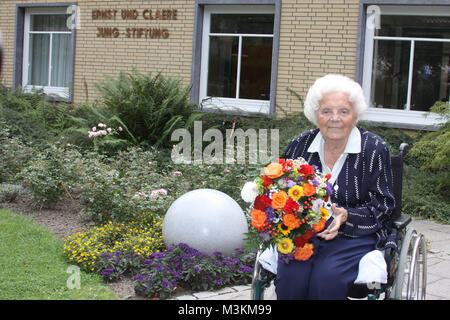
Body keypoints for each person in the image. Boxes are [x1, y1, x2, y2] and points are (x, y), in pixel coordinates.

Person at [275, 74, 396, 300]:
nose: (335, 119)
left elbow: (384, 206)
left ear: (355, 115)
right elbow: (280, 190)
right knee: (291, 278)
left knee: (327, 279)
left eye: (343, 111)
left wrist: (346, 217)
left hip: (355, 236)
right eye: (326, 111)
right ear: (315, 115)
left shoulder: (374, 149)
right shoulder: (300, 145)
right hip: (305, 233)